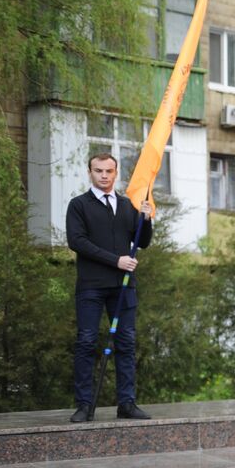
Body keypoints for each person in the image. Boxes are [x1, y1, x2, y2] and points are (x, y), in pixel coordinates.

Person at [66, 153, 153, 422]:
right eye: (98, 170)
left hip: (123, 287)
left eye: (109, 171)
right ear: (90, 172)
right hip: (91, 286)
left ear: (116, 173)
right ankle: (84, 405)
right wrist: (116, 260)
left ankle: (126, 403)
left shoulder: (128, 206)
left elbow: (143, 242)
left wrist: (146, 220)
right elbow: (77, 242)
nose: (104, 175)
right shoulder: (79, 205)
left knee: (126, 343)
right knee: (87, 341)